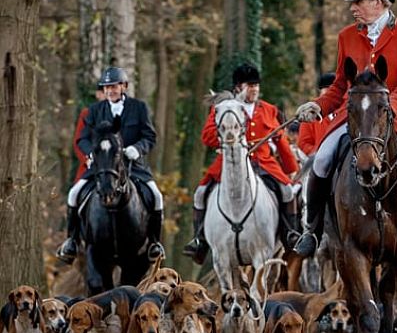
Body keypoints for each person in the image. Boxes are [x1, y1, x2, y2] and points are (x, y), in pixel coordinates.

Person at [292, 0, 397, 265]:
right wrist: (317, 107)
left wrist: (390, 108)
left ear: (378, 3)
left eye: (358, 2)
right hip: (356, 119)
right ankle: (311, 230)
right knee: (322, 160)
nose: (353, 8)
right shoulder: (347, 36)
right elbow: (339, 86)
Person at [183, 63, 299, 264]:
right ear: (238, 88)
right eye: (249, 85)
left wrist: (291, 169)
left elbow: (280, 140)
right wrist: (227, 140)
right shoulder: (223, 108)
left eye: (256, 85)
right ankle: (199, 240)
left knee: (287, 191)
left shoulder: (269, 109)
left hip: (263, 163)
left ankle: (291, 235)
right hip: (229, 163)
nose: (254, 89)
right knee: (200, 194)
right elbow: (207, 136)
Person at [57, 67, 165, 263]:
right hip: (102, 167)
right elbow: (82, 139)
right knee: (74, 194)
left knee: (156, 197)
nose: (110, 91)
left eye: (114, 86)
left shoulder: (139, 108)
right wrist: (91, 153)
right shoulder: (95, 111)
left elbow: (150, 136)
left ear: (123, 86)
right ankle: (71, 241)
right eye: (106, 87)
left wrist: (137, 149)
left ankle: (154, 243)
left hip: (133, 166)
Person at [297, 72, 336, 157]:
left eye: (333, 90)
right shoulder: (310, 111)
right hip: (319, 159)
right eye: (327, 89)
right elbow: (303, 142)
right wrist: (319, 153)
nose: (330, 93)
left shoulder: (346, 110)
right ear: (320, 91)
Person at [72, 87, 106, 182]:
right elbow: (78, 142)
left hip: (117, 166)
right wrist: (88, 158)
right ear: (98, 94)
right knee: (74, 193)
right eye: (104, 92)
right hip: (91, 166)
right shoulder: (87, 113)